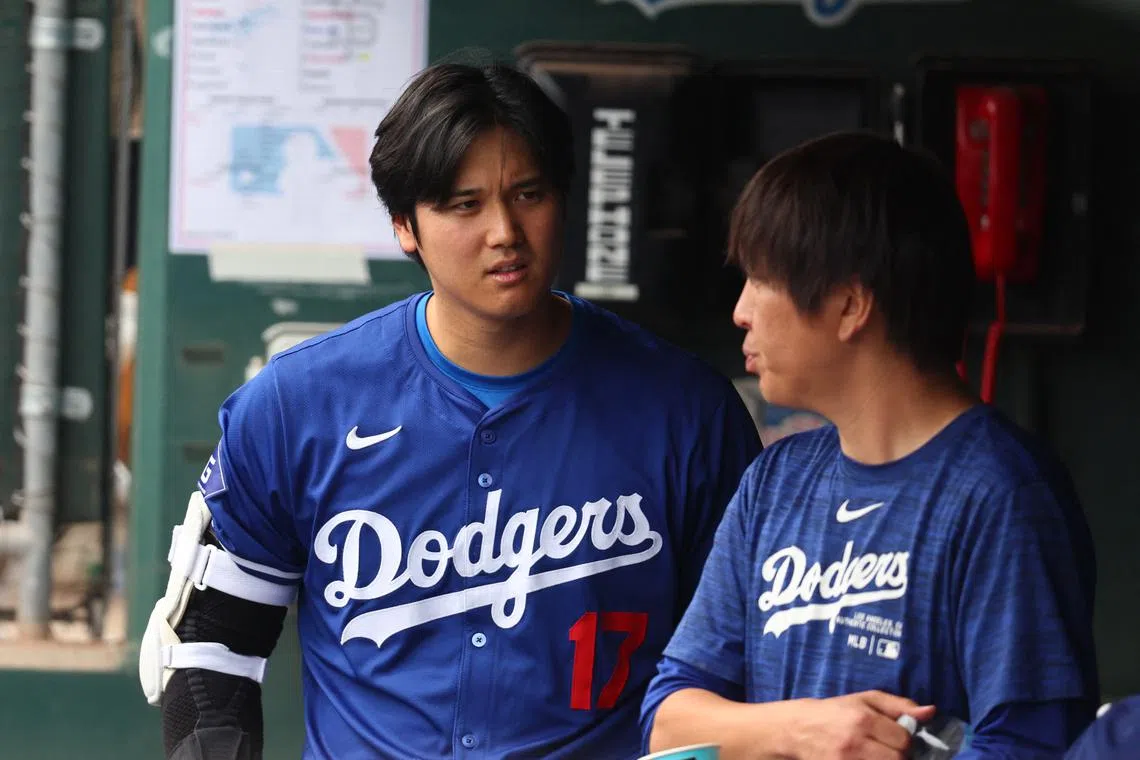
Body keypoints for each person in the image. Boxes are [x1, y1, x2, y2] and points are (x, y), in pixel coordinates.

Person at [137, 61, 762, 760]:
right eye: (464, 205)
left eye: (528, 194)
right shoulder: (294, 405)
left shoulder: (687, 412)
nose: (504, 231)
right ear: (406, 226)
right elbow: (209, 650)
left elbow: (741, 671)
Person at [640, 131, 1100, 759]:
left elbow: (1034, 745)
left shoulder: (1004, 493)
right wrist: (803, 731)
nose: (740, 311)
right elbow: (669, 718)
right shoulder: (775, 481)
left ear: (851, 305)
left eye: (761, 278)